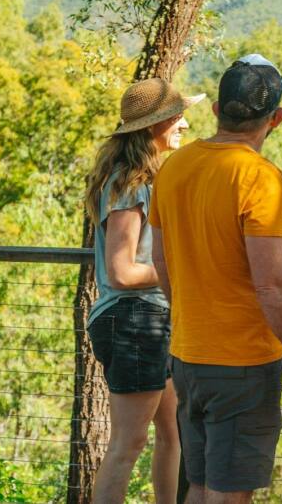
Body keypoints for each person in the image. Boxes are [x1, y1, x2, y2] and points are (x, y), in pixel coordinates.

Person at [149, 54, 282, 504]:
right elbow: (271, 284)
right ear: (277, 119)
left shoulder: (173, 168)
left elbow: (162, 261)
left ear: (216, 111)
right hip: (243, 362)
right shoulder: (260, 178)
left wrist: (188, 319)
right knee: (231, 493)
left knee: (202, 483)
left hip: (188, 355)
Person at [84, 78, 203, 504]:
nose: (185, 124)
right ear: (156, 125)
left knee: (172, 432)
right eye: (177, 117)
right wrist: (179, 268)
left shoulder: (149, 178)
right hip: (134, 320)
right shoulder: (132, 184)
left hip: (151, 320)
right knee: (126, 447)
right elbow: (121, 272)